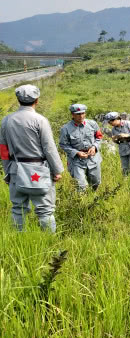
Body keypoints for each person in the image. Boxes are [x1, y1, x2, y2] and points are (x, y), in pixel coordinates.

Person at [0, 85, 64, 232]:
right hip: (39, 170)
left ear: (18, 100)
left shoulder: (6, 120)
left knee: (18, 209)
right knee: (45, 210)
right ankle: (49, 241)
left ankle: (18, 238)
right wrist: (57, 170)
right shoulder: (40, 120)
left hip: (16, 170)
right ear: (37, 100)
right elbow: (49, 148)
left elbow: (3, 149)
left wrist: (7, 170)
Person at [59, 103, 103, 192]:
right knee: (81, 186)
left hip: (93, 157)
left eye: (83, 113)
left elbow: (99, 137)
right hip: (76, 160)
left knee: (96, 182)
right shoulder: (66, 128)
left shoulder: (92, 124)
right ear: (72, 115)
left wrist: (94, 147)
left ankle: (93, 199)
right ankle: (82, 203)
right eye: (78, 114)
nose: (81, 116)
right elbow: (63, 144)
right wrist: (77, 153)